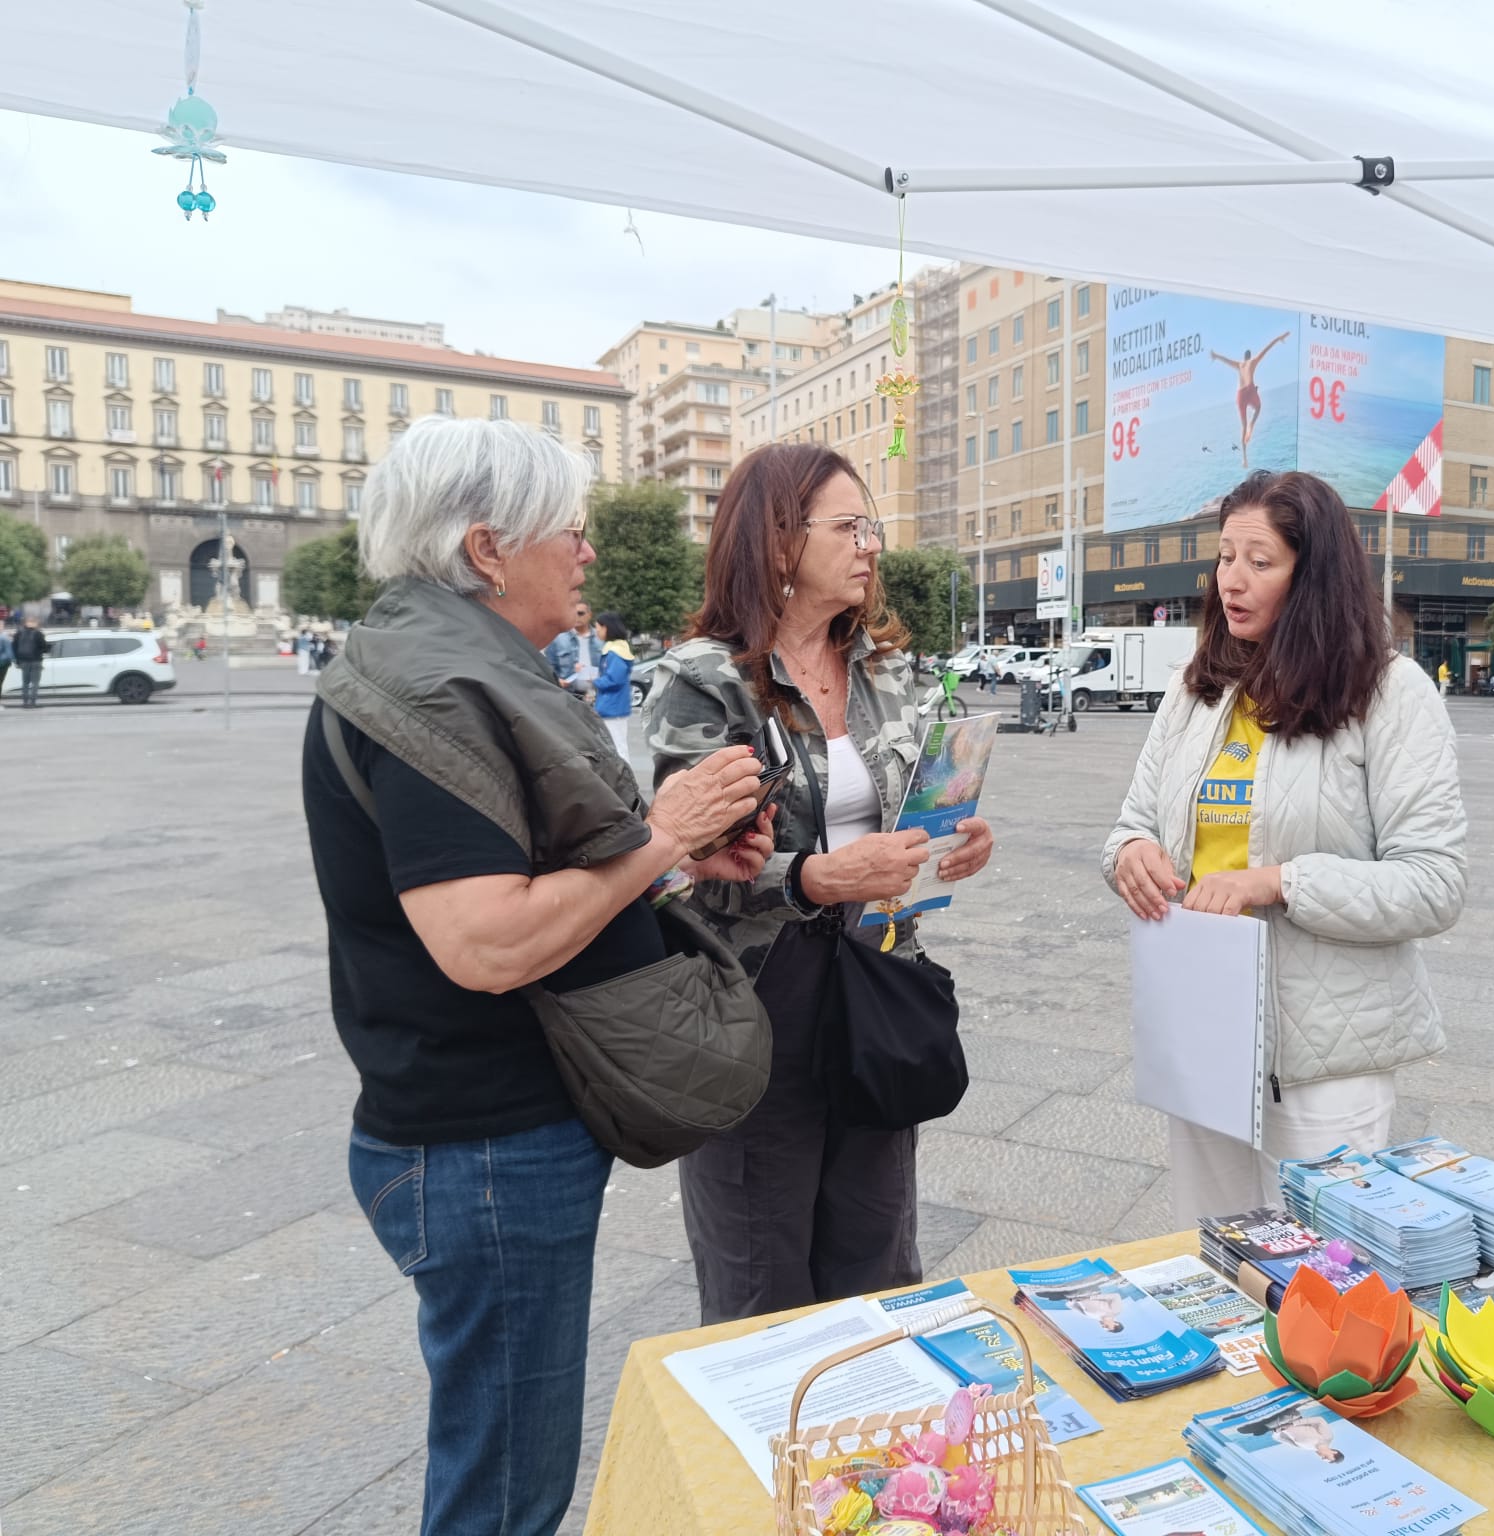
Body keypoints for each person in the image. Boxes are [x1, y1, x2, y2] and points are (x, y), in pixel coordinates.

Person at [300, 416, 775, 1536]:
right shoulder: (436, 691)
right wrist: (663, 834)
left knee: (508, 1463)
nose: (588, 551)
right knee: (508, 1492)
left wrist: (672, 864)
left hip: (493, 1135)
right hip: (484, 1146)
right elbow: (487, 943)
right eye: (569, 528)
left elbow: (528, 872)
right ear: (486, 550)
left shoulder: (454, 668)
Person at [647, 441, 996, 1325]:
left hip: (877, 983)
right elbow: (678, 863)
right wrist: (814, 877)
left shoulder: (887, 672)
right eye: (849, 527)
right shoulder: (706, 681)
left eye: (872, 527)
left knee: (877, 1258)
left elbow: (917, 802)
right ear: (777, 541)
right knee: (760, 1277)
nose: (871, 545)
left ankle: (877, 1414)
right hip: (754, 1001)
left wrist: (957, 833)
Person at [1106, 470, 1466, 1223]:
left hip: (1323, 1055)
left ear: (1314, 576)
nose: (1231, 580)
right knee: (1212, 1253)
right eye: (1224, 557)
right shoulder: (1196, 689)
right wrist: (1130, 853)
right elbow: (1134, 822)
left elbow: (1433, 884)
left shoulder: (1389, 693)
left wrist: (1279, 881)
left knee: (1318, 1276)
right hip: (1204, 1026)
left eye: (1260, 562)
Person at [1209, 332, 1290, 467]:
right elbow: (1266, 349)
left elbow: (1226, 360)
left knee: (1243, 427)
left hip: (1240, 395)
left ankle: (1244, 459)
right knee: (1258, 408)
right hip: (1250, 390)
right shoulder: (1253, 361)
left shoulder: (1239, 364)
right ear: (1250, 356)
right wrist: (1278, 338)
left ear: (1243, 357)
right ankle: (1252, 425)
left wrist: (1216, 356)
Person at [591, 610, 637, 758]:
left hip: (612, 707)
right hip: (613, 706)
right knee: (615, 747)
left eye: (598, 628)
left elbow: (614, 679)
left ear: (606, 627)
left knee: (618, 749)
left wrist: (594, 682)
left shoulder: (615, 651)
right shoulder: (618, 648)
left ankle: (624, 773)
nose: (597, 632)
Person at [546, 600, 600, 701]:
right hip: (569, 697)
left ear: (590, 615)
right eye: (573, 613)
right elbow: (549, 668)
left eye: (580, 613)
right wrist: (558, 681)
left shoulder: (600, 638)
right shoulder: (559, 639)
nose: (576, 617)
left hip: (598, 695)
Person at [11, 614, 49, 708]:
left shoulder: (18, 633)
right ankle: (33, 702)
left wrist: (17, 661)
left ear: (25, 623)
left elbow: (14, 648)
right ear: (35, 623)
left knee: (25, 683)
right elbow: (45, 648)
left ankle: (25, 702)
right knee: (35, 683)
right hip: (36, 661)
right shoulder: (38, 633)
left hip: (23, 662)